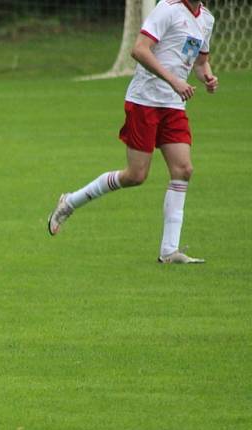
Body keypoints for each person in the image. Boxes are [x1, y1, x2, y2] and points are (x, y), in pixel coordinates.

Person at [48, 0, 217, 264]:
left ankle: (169, 251)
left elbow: (200, 62)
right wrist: (173, 80)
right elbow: (139, 50)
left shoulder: (206, 19)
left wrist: (207, 76)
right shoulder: (168, 9)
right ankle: (70, 202)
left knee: (183, 170)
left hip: (173, 105)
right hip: (145, 101)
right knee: (136, 176)